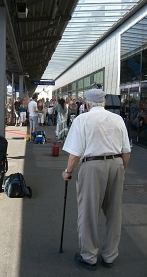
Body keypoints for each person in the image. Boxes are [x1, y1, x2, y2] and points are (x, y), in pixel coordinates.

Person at [62, 89, 131, 271]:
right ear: (105, 103)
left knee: (89, 213)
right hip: (116, 164)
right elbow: (126, 151)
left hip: (92, 166)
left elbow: (75, 154)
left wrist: (68, 171)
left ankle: (89, 256)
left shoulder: (82, 120)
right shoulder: (118, 119)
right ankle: (109, 256)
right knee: (114, 212)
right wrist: (121, 171)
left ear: (87, 104)